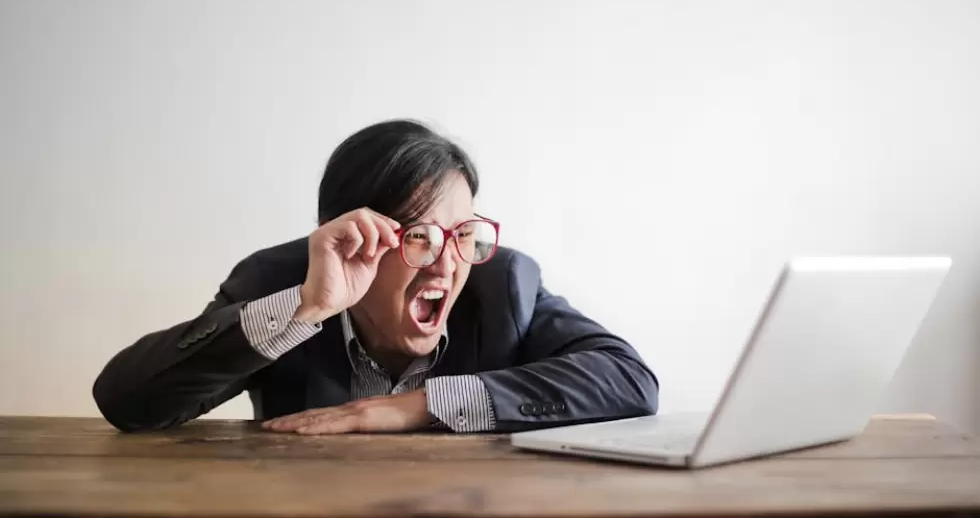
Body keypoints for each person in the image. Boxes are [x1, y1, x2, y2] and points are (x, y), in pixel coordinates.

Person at [93, 120, 659, 434]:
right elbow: (126, 402)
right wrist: (304, 311)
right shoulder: (279, 280)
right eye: (418, 235)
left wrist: (416, 405)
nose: (446, 262)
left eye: (463, 232)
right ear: (348, 235)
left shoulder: (503, 282)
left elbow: (629, 380)